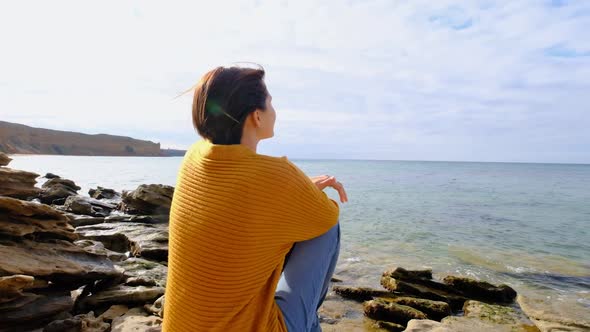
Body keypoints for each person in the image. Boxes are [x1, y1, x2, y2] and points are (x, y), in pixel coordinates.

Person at [162, 64, 348, 332]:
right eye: (271, 103)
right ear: (256, 116)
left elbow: (241, 194)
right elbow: (327, 215)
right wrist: (302, 190)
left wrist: (300, 189)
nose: (275, 111)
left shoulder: (194, 157)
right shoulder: (278, 175)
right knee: (328, 226)